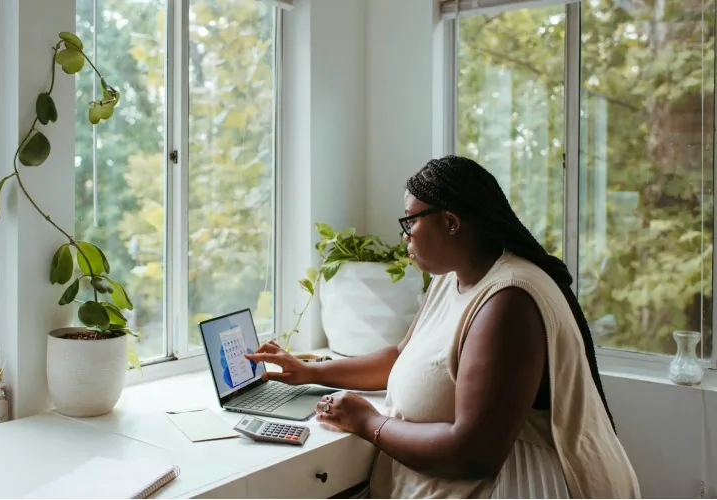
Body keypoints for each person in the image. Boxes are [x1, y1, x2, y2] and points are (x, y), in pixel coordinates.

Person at [246, 155, 640, 499]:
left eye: (410, 222)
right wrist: (311, 371)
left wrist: (368, 421)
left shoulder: (509, 301)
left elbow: (472, 454)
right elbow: (401, 356)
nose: (405, 237)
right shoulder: (450, 279)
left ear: (451, 221)